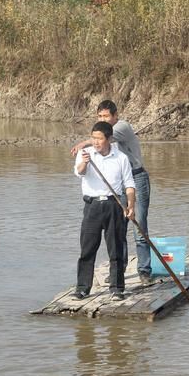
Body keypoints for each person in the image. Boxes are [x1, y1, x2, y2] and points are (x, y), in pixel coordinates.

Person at [71, 100, 152, 285]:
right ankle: (119, 273)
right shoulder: (104, 139)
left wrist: (83, 143)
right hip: (118, 184)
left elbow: (103, 138)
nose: (103, 119)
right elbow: (100, 147)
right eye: (100, 117)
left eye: (106, 116)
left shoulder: (122, 127)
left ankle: (144, 270)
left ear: (116, 116)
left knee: (138, 225)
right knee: (118, 229)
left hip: (136, 178)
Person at [73, 121, 136, 301]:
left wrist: (130, 206)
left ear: (109, 139)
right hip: (92, 206)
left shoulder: (121, 157)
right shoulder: (85, 154)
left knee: (116, 248)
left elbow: (129, 184)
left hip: (113, 205)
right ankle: (83, 288)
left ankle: (117, 288)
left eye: (99, 138)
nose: (95, 142)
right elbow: (80, 173)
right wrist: (84, 163)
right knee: (87, 248)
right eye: (93, 138)